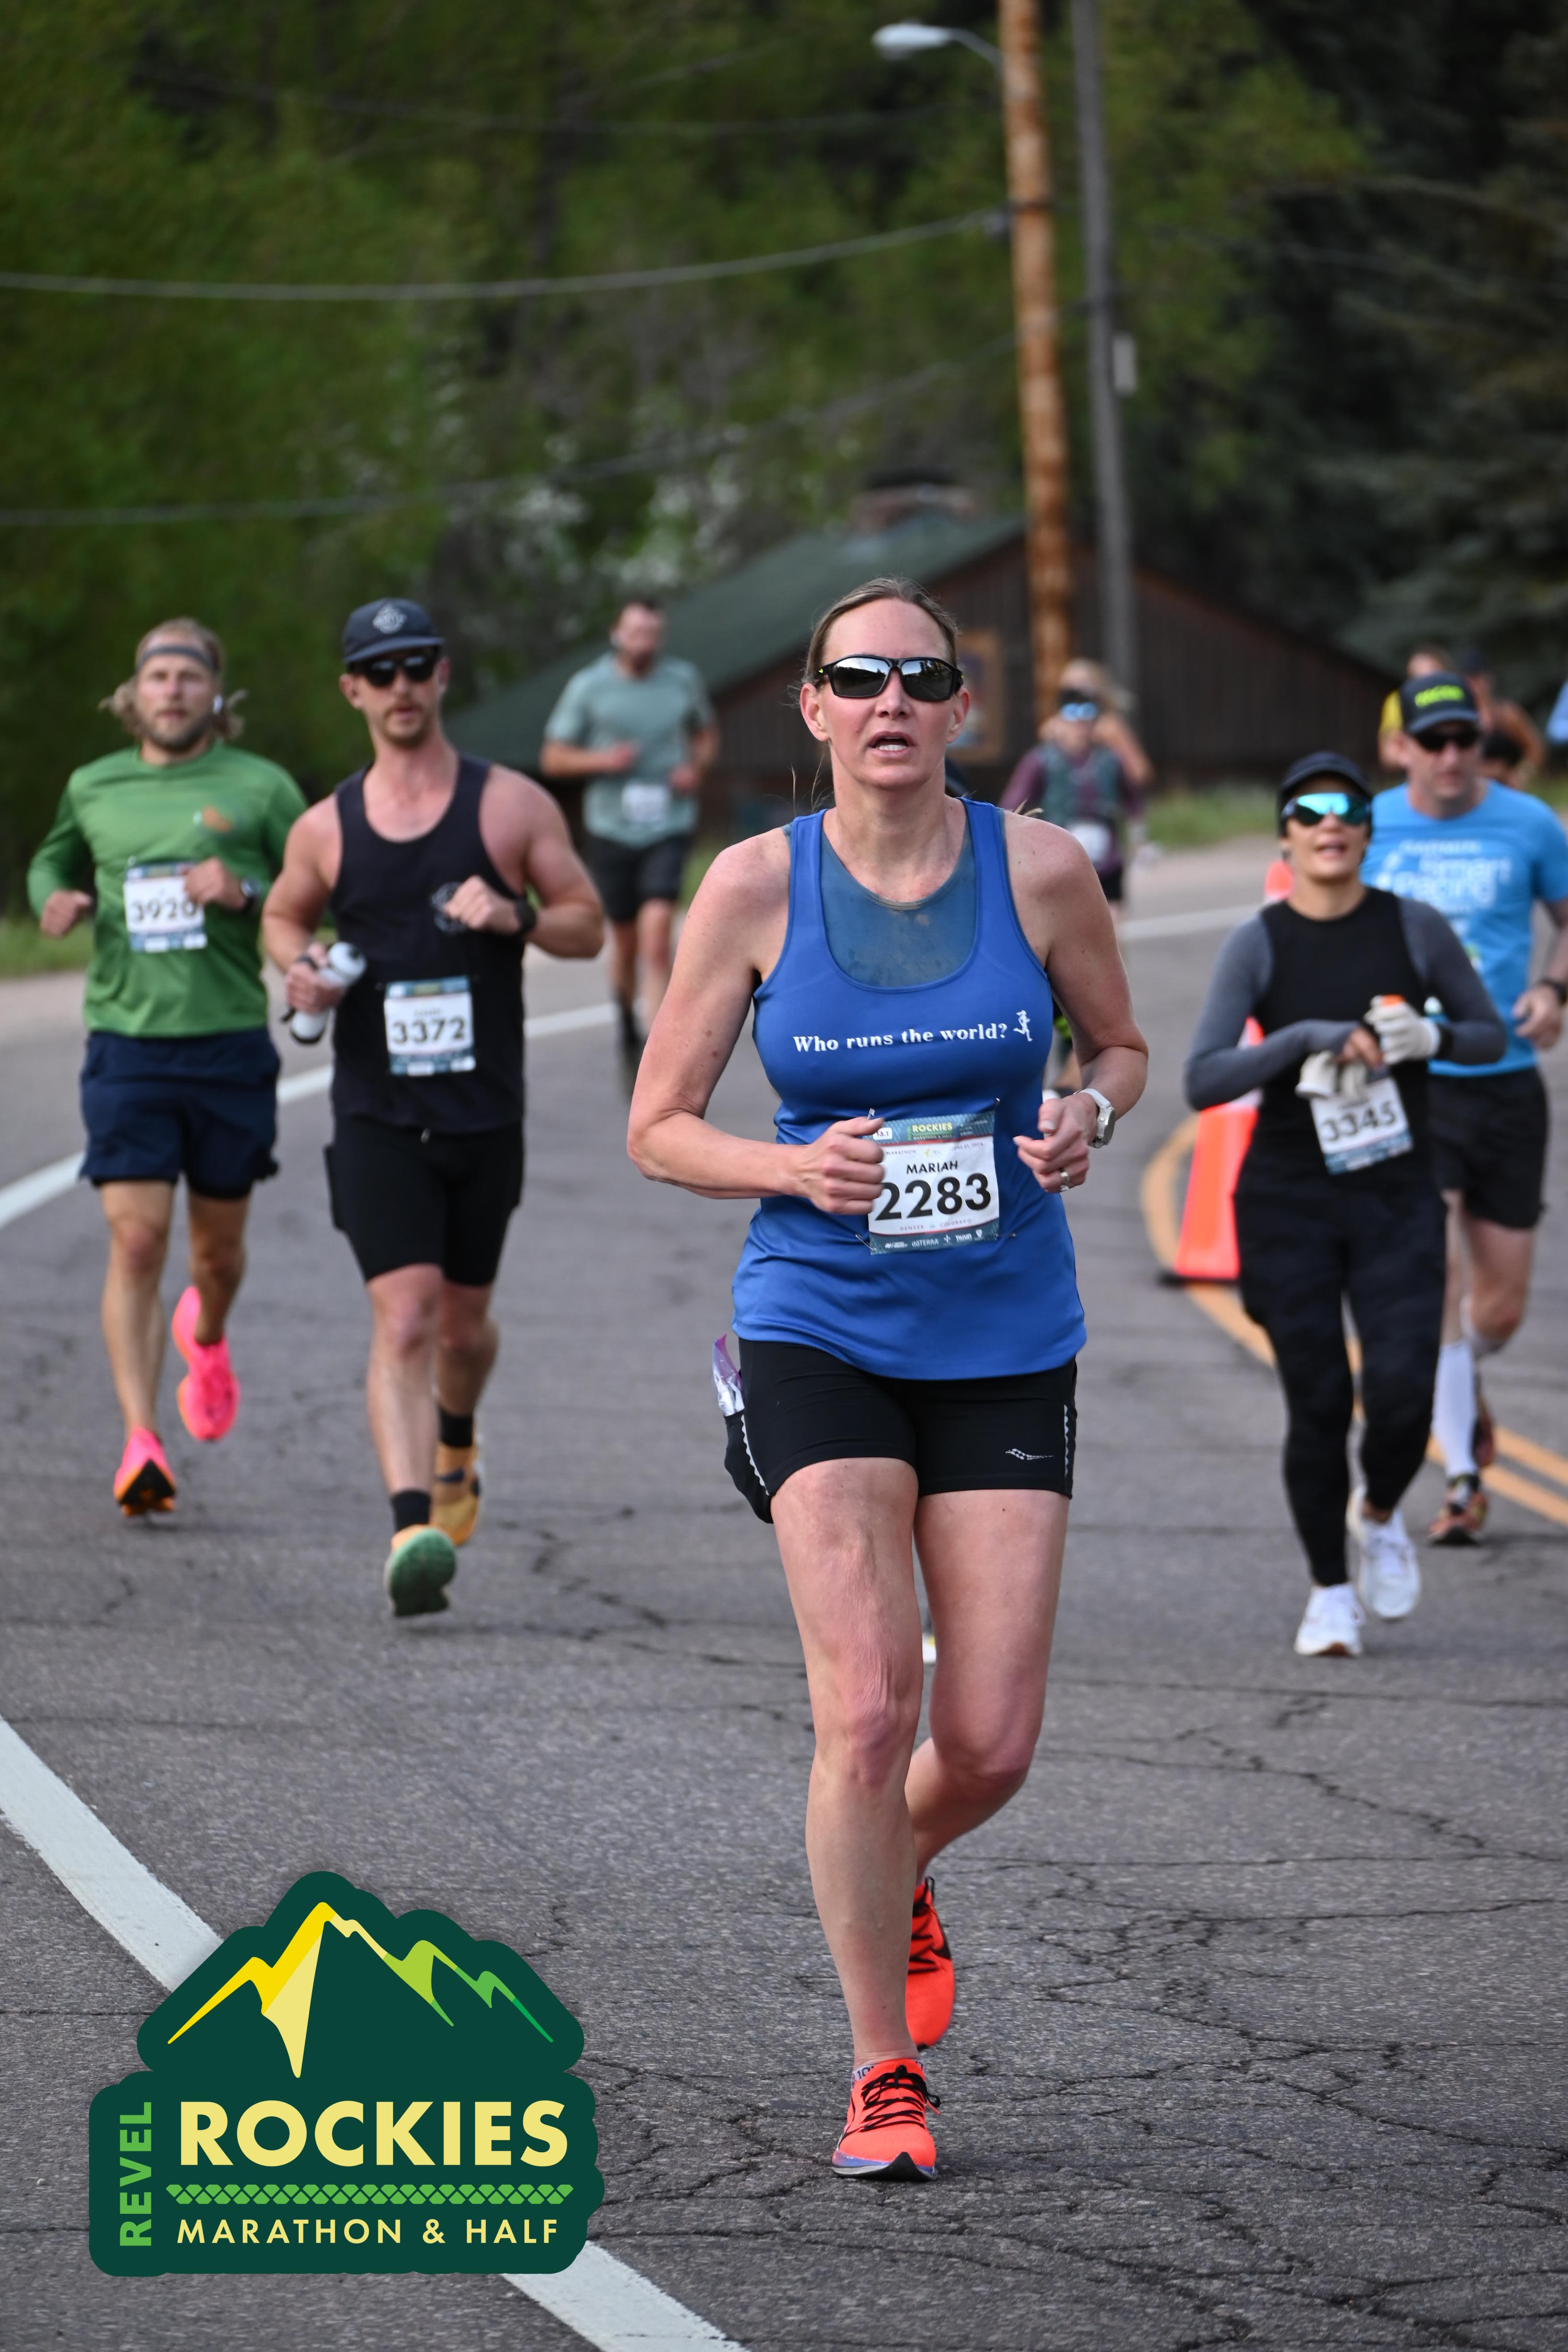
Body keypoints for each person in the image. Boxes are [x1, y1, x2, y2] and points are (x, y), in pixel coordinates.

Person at [628, 574, 1147, 2181]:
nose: (892, 704)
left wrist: (1089, 1115)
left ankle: (890, 1862)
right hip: (820, 1323)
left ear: (962, 707)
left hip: (1005, 1333)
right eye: (860, 679)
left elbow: (1121, 1050)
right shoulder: (751, 886)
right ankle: (881, 2071)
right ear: (814, 707)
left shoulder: (1041, 868)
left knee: (985, 1744)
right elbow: (658, 1127)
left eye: (922, 678)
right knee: (867, 1706)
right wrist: (792, 1169)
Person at [263, 599, 603, 1615]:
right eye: (380, 671)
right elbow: (282, 914)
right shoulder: (326, 827)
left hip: (484, 1113)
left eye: (417, 665)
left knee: (462, 1329)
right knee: (404, 1316)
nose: (401, 685)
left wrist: (515, 915)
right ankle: (412, 1528)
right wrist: (302, 967)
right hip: (377, 1111)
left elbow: (587, 925)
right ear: (352, 690)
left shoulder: (510, 807)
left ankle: (457, 1439)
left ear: (442, 675)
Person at [1185, 756, 1505, 1656]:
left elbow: (1489, 1036)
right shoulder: (1258, 941)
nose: (1330, 821)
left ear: (1368, 830)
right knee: (1319, 1400)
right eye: (1309, 809)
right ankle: (1329, 1591)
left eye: (1349, 808)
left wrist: (1433, 1035)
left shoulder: (1413, 926)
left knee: (1402, 1398)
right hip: (1287, 1199)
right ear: (1284, 834)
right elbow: (1202, 1079)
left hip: (1395, 1194)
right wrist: (1301, 1039)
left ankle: (1379, 1513)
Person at [27, 619, 305, 1516]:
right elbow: (50, 862)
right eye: (158, 676)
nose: (173, 690)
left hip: (228, 1044)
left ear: (215, 696)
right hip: (127, 1044)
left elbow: (319, 887)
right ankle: (141, 1441)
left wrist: (247, 891)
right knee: (138, 1240)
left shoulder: (261, 787)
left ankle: (208, 1335)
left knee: (215, 1254)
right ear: (134, 693)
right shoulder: (93, 785)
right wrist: (54, 899)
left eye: (189, 676)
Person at [1364, 671, 1568, 1543]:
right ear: (1400, 747)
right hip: (1412, 1082)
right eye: (1433, 742)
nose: (1451, 757)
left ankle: (1457, 1380)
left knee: (1499, 1308)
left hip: (1505, 1079)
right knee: (1436, 1278)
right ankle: (1459, 1478)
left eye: (1465, 741)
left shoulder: (1530, 824)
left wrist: (1554, 990)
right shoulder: (1367, 824)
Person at [538, 598, 718, 1054]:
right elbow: (553, 757)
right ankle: (625, 1015)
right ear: (616, 634)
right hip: (611, 826)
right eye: (636, 633)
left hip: (669, 821)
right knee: (624, 937)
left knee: (657, 933)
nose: (645, 643)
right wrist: (603, 760)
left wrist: (695, 768)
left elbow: (706, 735)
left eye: (653, 634)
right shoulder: (589, 686)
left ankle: (660, 1045)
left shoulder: (682, 679)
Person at [1001, 660, 1150, 912]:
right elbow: (1013, 804)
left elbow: (1135, 788)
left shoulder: (1110, 755)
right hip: (1058, 854)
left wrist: (1139, 838)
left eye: (1087, 715)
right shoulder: (1043, 758)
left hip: (1106, 856)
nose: (1080, 724)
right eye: (1072, 715)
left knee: (1110, 921)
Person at [1455, 644, 1546, 791]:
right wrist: (1491, 770)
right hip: (1474, 793)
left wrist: (1522, 774)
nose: (1474, 687)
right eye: (1469, 681)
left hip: (1508, 790)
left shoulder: (1507, 715)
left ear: (1488, 679)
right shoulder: (1460, 719)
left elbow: (1536, 748)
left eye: (1477, 679)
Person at [1377, 645, 1452, 773]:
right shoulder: (1398, 701)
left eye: (1431, 679)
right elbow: (1388, 755)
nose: (1425, 686)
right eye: (1416, 678)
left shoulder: (1457, 697)